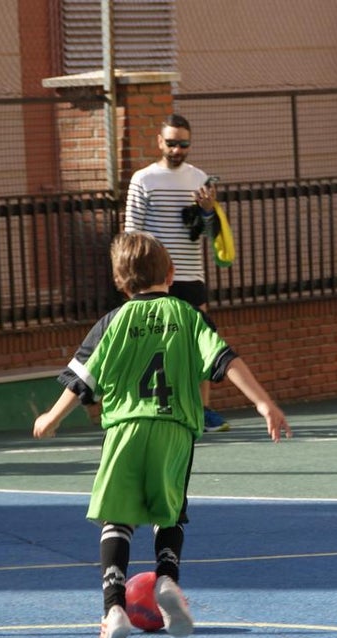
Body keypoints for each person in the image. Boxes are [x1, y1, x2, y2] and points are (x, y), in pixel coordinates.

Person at [33, 232, 291, 638]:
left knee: (117, 518)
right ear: (170, 274)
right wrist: (263, 403)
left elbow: (81, 380)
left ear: (120, 282)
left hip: (125, 430)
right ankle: (167, 579)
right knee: (168, 512)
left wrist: (51, 417)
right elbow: (225, 359)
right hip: (175, 430)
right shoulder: (188, 316)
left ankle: (114, 611)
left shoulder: (112, 322)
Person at [125, 113, 229, 432]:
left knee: (201, 342)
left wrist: (208, 211)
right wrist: (133, 280)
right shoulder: (143, 179)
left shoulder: (199, 178)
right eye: (171, 143)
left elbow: (208, 233)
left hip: (191, 275)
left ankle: (203, 409)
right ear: (160, 142)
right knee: (156, 346)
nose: (177, 150)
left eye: (184, 144)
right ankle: (155, 408)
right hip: (153, 280)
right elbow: (131, 233)